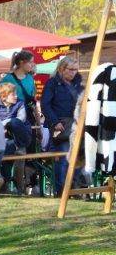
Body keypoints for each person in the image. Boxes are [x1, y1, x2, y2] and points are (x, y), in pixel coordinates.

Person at [41, 55, 82, 193]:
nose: (74, 72)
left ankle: (74, 189)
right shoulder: (52, 83)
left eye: (76, 69)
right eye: (71, 69)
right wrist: (55, 122)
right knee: (63, 157)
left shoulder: (78, 84)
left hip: (76, 125)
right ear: (61, 69)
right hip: (60, 126)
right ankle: (61, 191)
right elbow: (45, 105)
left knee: (78, 156)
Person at [0, 82, 32, 192]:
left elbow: (21, 119)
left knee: (15, 122)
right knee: (7, 156)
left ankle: (19, 187)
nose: (16, 96)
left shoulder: (20, 103)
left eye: (16, 94)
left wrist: (5, 123)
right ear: (3, 96)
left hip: (22, 138)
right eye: (13, 94)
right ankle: (4, 184)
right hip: (7, 139)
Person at [0, 50, 38, 116]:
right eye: (30, 62)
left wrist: (38, 119)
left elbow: (33, 101)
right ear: (21, 62)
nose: (32, 65)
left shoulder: (30, 78)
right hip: (12, 117)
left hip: (28, 117)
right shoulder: (7, 79)